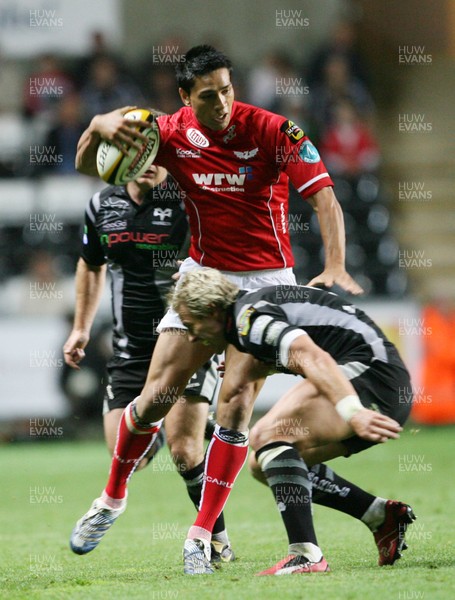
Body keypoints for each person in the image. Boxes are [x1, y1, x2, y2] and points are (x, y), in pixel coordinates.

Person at [71, 44, 363, 574]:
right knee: (156, 394)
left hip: (267, 285)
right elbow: (87, 163)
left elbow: (324, 197)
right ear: (185, 97)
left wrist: (337, 265)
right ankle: (111, 499)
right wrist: (97, 124)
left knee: (234, 407)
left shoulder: (275, 130)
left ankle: (200, 536)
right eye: (208, 96)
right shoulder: (168, 133)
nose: (222, 103)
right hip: (202, 278)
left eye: (227, 90)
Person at [171, 267, 416, 575]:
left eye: (192, 325)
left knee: (269, 436)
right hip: (375, 375)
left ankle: (306, 555)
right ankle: (378, 514)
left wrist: (353, 410)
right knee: (264, 464)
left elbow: (310, 354)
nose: (193, 336)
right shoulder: (248, 314)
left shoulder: (251, 319)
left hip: (373, 377)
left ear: (210, 309)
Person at [64, 150, 234, 562]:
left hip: (184, 339)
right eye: (143, 154)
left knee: (183, 451)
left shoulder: (188, 200)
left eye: (161, 153)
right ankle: (189, 422)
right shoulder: (102, 204)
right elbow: (90, 265)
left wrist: (225, 339)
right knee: (127, 455)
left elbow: (224, 265)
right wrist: (81, 326)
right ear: (122, 159)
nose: (155, 162)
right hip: (130, 347)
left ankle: (216, 540)